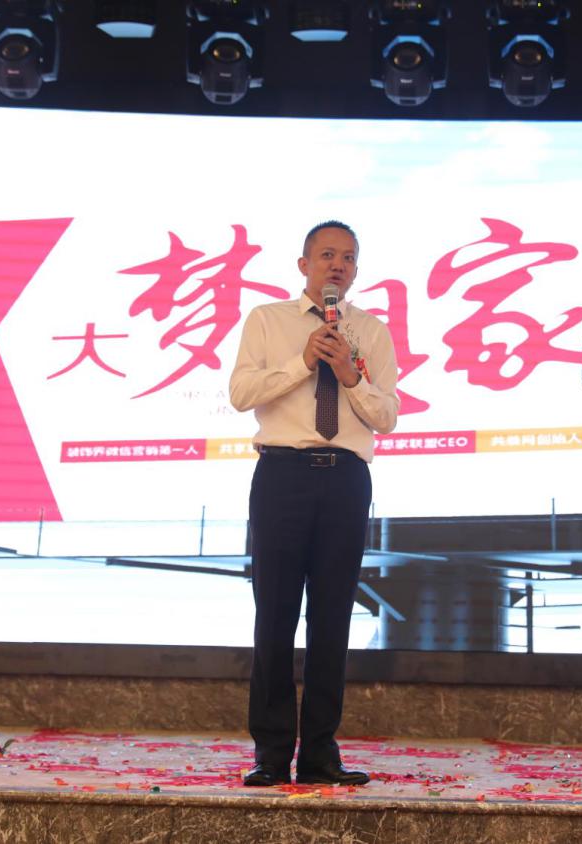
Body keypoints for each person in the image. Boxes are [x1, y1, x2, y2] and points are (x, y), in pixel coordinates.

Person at [229, 221, 399, 786]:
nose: (337, 265)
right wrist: (302, 362)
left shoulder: (370, 331)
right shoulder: (267, 320)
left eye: (348, 258)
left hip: (345, 479)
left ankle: (321, 752)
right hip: (282, 475)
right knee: (274, 616)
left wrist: (350, 375)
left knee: (332, 618)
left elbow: (387, 416)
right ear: (304, 265)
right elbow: (241, 394)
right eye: (327, 255)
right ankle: (272, 754)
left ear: (356, 270)